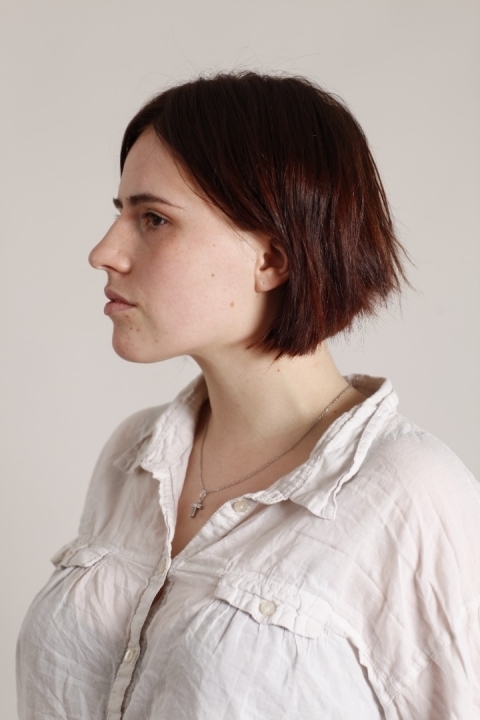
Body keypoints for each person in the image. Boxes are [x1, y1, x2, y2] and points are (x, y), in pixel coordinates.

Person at [16, 72, 479, 719]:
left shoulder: (411, 495)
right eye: (119, 212)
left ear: (273, 258)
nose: (104, 252)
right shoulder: (135, 455)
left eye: (153, 219)